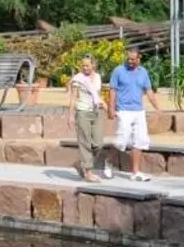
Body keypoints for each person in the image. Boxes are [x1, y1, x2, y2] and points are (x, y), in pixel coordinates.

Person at [109, 48, 162, 178]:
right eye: (128, 59)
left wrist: (157, 108)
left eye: (133, 59)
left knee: (140, 140)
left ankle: (135, 172)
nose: (130, 61)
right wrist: (111, 108)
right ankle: (109, 162)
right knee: (121, 140)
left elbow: (149, 91)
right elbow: (113, 91)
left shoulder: (143, 72)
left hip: (139, 111)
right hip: (123, 110)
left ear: (139, 58)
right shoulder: (118, 71)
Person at [69, 54, 109, 182]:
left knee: (98, 144)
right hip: (82, 112)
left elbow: (96, 95)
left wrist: (106, 106)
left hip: (96, 112)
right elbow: (73, 97)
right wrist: (70, 115)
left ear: (93, 65)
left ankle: (82, 163)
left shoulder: (97, 77)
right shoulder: (78, 79)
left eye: (87, 65)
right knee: (85, 142)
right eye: (83, 65)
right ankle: (88, 172)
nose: (84, 67)